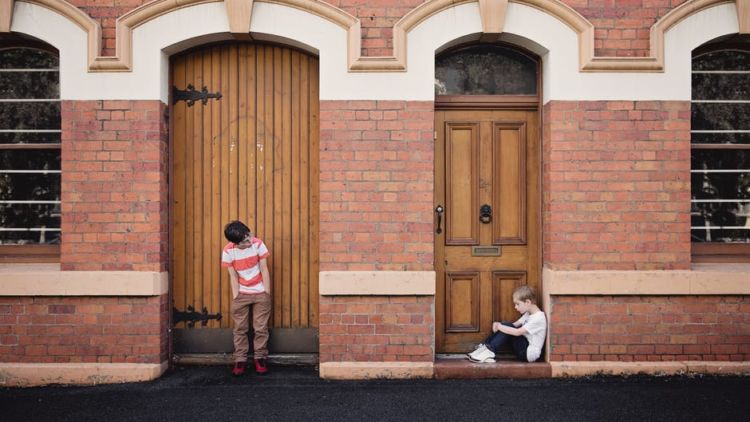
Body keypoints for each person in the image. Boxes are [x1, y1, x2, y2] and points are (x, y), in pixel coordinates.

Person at [221, 220, 272, 376]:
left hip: (260, 292)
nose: (249, 240)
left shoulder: (258, 244)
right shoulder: (228, 251)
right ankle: (240, 360)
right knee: (240, 329)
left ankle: (260, 358)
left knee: (260, 328)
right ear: (234, 243)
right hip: (241, 295)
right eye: (245, 241)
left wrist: (266, 293)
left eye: (249, 235)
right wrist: (236, 296)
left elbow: (264, 268)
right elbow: (233, 276)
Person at [467, 285, 547, 363]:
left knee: (506, 326)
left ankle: (489, 352)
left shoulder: (538, 318)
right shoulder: (528, 314)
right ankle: (484, 348)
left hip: (528, 354)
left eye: (518, 304)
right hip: (523, 347)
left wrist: (500, 326)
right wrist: (499, 324)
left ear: (527, 302)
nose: (515, 307)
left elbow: (517, 332)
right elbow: (514, 325)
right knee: (506, 324)